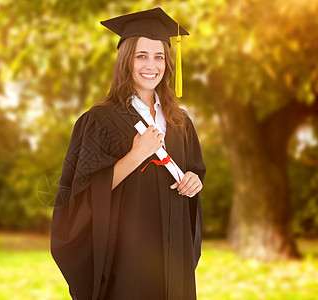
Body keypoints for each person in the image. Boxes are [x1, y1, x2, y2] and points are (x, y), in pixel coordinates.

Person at [50, 7, 206, 300]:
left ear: (168, 63)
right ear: (126, 61)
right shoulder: (99, 120)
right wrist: (136, 154)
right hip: (126, 257)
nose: (152, 65)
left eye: (159, 56)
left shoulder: (180, 121)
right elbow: (81, 193)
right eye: (141, 56)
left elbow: (195, 172)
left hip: (173, 253)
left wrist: (194, 181)